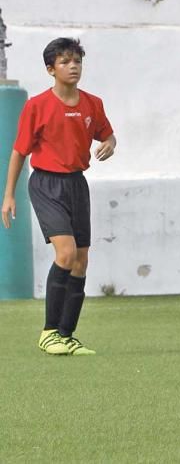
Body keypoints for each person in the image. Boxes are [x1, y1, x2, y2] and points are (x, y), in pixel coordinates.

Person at [2, 37, 116, 356]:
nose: (73, 66)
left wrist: (111, 142)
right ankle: (49, 332)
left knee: (81, 261)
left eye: (77, 60)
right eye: (65, 62)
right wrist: (8, 195)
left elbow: (107, 133)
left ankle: (66, 335)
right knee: (65, 254)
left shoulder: (93, 103)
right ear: (51, 69)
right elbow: (19, 152)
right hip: (46, 185)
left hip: (77, 185)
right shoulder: (36, 106)